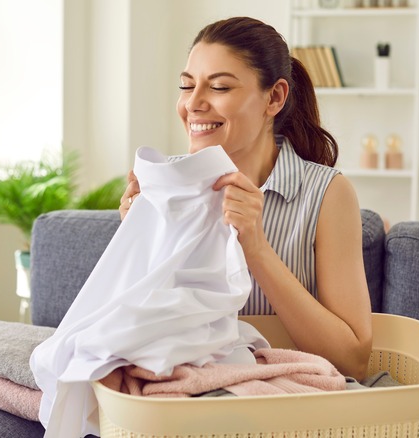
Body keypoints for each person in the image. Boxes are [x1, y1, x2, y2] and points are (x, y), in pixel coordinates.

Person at [119, 16, 372, 380]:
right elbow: (128, 330)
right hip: (180, 399)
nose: (193, 103)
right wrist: (136, 237)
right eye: (186, 86)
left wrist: (255, 247)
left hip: (284, 404)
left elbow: (352, 361)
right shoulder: (163, 183)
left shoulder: (326, 193)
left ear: (274, 97)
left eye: (219, 87)